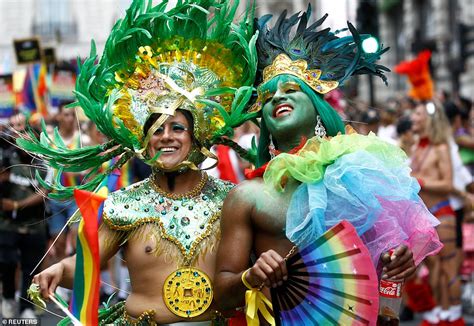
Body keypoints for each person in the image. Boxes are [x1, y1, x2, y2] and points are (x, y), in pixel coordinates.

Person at [20, 0, 258, 324]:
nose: (167, 137)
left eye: (178, 128)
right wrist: (58, 269)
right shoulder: (124, 204)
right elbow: (87, 263)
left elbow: (255, 266)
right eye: (157, 129)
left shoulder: (231, 200)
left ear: (196, 137)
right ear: (145, 141)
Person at [214, 9, 442, 325]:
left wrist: (400, 261)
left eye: (291, 89)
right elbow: (222, 292)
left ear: (318, 105)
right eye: (267, 96)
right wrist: (251, 276)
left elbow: (386, 263)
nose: (277, 97)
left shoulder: (358, 174)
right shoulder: (247, 196)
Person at [410, 101, 465, 325]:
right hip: (423, 217)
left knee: (449, 268)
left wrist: (420, 181)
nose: (412, 117)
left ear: (430, 118)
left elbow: (448, 183)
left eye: (417, 113)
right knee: (433, 267)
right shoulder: (417, 147)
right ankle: (439, 312)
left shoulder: (441, 147)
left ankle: (453, 313)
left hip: (442, 213)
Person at [0, 113, 49, 318]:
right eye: (19, 135)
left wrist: (18, 204)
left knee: (32, 267)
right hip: (7, 224)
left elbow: (44, 192)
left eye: (27, 136)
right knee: (7, 263)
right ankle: (9, 297)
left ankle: (26, 307)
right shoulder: (6, 157)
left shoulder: (44, 161)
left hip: (35, 224)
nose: (23, 140)